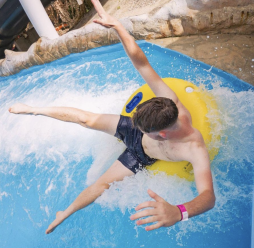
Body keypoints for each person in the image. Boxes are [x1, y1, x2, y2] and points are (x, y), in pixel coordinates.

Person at [8, 0, 215, 234]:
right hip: (136, 132)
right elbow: (141, 61)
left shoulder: (194, 148)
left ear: (163, 135)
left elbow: (208, 197)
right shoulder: (169, 101)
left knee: (100, 185)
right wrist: (118, 26)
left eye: (148, 132)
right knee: (86, 119)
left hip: (140, 155)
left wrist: (179, 212)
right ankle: (36, 109)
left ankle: (64, 212)